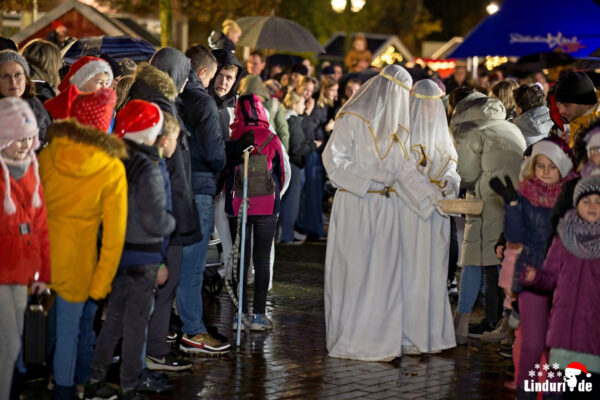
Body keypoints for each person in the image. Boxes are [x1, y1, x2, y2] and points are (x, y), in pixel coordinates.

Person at [323, 65, 446, 361]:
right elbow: (333, 160)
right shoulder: (350, 119)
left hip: (386, 209)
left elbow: (406, 171)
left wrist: (435, 198)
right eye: (402, 94)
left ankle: (381, 341)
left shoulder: (396, 132)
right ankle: (352, 339)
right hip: (356, 205)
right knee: (355, 272)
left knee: (386, 277)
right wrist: (370, 176)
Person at [38, 89, 127, 400]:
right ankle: (64, 389)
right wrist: (102, 283)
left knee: (37, 329)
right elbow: (115, 235)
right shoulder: (111, 166)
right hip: (79, 262)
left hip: (41, 257)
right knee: (70, 331)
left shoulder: (48, 154)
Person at [85, 100, 176, 400]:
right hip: (144, 255)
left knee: (113, 321)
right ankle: (129, 384)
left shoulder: (115, 162)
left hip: (119, 254)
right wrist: (171, 223)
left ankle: (95, 379)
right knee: (136, 325)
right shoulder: (148, 169)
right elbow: (154, 219)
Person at [490, 137, 575, 396]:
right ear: (533, 167)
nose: (546, 172)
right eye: (541, 166)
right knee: (531, 342)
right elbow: (515, 241)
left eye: (552, 166)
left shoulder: (572, 200)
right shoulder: (525, 197)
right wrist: (508, 284)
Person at [450, 91, 526, 343]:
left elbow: (467, 174)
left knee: (473, 261)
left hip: (485, 201)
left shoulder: (470, 131)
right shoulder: (510, 127)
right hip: (512, 198)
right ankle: (501, 321)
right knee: (502, 260)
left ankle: (460, 324)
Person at [521, 174, 600, 397]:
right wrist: (534, 276)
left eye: (598, 201)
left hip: (594, 341)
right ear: (576, 204)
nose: (592, 206)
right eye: (586, 201)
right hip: (562, 338)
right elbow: (549, 278)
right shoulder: (562, 240)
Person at [399, 79, 461, 355]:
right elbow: (400, 173)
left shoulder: (443, 135)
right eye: (423, 105)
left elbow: (452, 167)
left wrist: (449, 184)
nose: (428, 111)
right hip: (410, 213)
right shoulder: (403, 135)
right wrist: (427, 196)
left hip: (437, 217)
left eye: (433, 105)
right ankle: (407, 333)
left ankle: (433, 333)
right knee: (410, 272)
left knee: (434, 273)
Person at [178, 45, 230, 355]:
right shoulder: (203, 102)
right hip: (199, 188)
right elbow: (214, 154)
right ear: (203, 73)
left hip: (175, 188)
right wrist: (228, 155)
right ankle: (193, 329)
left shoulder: (171, 97)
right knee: (193, 265)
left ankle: (176, 325)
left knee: (174, 262)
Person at [0, 98, 50, 400]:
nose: (23, 145)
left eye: (28, 138)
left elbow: (41, 226)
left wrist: (43, 273)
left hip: (21, 272)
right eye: (17, 138)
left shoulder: (31, 169)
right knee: (7, 344)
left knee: (13, 344)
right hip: (2, 271)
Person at [226, 94, 286, 331]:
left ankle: (239, 314)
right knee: (261, 260)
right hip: (267, 206)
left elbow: (228, 172)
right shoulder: (271, 137)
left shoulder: (235, 136)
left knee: (240, 259)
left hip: (239, 204)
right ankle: (259, 316)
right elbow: (280, 173)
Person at [278, 91, 318, 244]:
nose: (304, 106)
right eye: (302, 103)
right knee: (291, 203)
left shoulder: (286, 117)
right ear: (294, 105)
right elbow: (296, 149)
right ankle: (286, 236)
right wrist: (313, 145)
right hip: (293, 165)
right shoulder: (293, 121)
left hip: (288, 163)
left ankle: (283, 234)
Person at [0, 50, 51, 147]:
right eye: (5, 76)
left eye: (18, 75)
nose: (13, 82)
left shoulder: (36, 105)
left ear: (26, 78)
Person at [238, 74, 290, 151]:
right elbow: (283, 131)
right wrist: (283, 154)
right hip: (269, 151)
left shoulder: (238, 104)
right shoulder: (274, 104)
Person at [554, 70, 600, 148]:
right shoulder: (577, 122)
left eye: (566, 105)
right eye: (558, 105)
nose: (561, 111)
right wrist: (570, 145)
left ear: (583, 103)